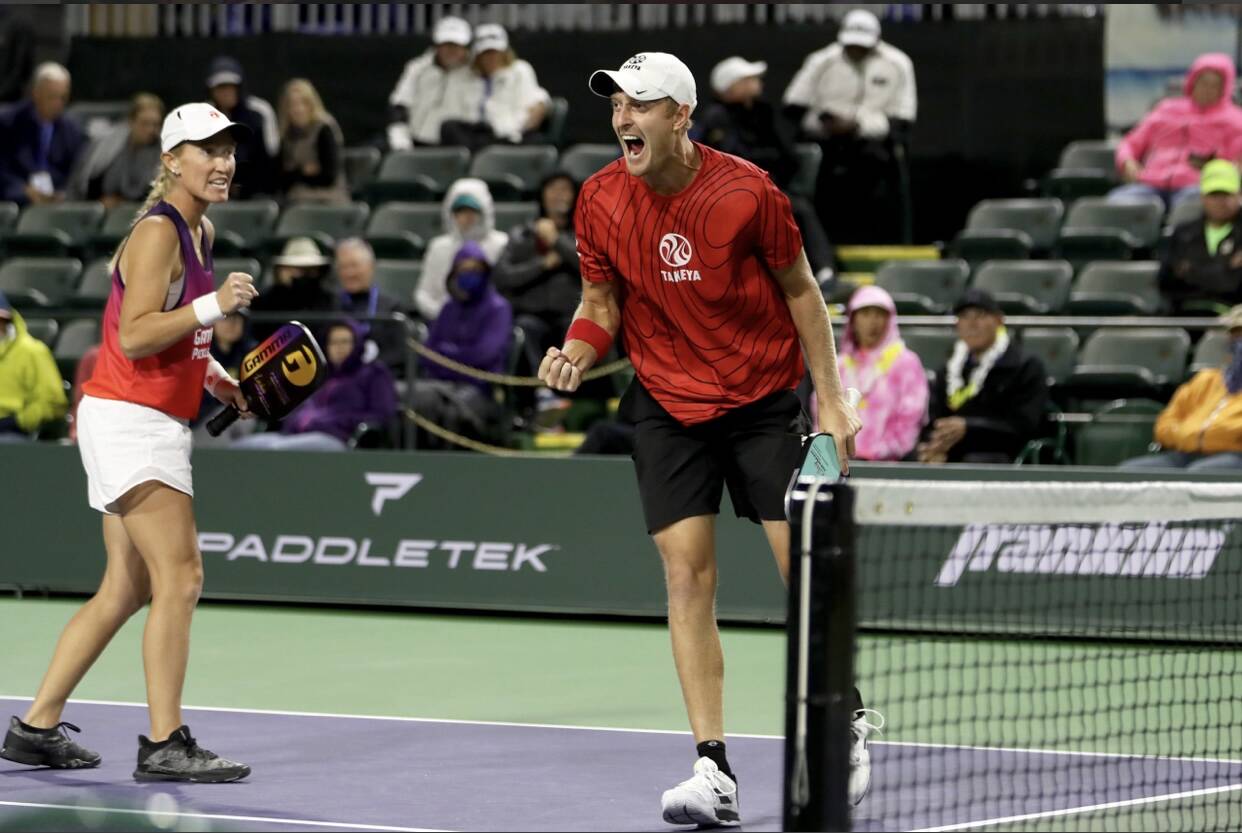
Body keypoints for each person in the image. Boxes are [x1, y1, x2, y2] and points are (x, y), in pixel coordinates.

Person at [538, 52, 874, 827]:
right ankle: (712, 768)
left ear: (680, 116)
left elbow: (804, 294)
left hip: (761, 400)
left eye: (642, 104)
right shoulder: (599, 200)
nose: (624, 117)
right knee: (686, 577)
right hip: (665, 400)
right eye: (618, 104)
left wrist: (828, 400)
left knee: (806, 571)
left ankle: (845, 719)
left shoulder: (747, 192)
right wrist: (577, 352)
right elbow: (598, 303)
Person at [0, 102, 256, 781]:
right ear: (172, 159)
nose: (223, 161)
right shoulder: (157, 232)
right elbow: (136, 333)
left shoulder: (199, 229)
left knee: (124, 587)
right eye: (208, 149)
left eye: (228, 148)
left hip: (140, 414)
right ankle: (166, 741)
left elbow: (178, 337)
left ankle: (36, 725)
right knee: (183, 575)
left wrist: (217, 376)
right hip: (132, 419)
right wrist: (215, 305)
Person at [783, 9, 917, 244]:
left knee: (877, 166)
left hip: (873, 143)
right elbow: (793, 107)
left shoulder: (898, 63)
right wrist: (825, 122)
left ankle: (876, 241)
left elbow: (904, 118)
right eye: (850, 44)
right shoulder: (821, 60)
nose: (855, 50)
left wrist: (859, 126)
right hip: (826, 141)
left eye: (862, 45)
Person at [693, 56, 836, 276]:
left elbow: (788, 157)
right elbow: (730, 161)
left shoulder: (764, 113)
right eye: (748, 78)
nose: (757, 82)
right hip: (729, 194)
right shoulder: (716, 117)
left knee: (799, 208)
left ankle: (824, 272)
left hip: (772, 188)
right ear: (730, 86)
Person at [916, 288, 1048, 465]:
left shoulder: (1026, 367)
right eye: (964, 316)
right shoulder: (948, 371)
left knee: (977, 462)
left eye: (981, 315)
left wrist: (969, 428)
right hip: (956, 454)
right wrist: (934, 446)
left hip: (1006, 455)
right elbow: (934, 419)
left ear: (999, 320)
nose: (972, 324)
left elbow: (1025, 426)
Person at [232, 319, 397, 452]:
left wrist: (335, 422)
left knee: (277, 450)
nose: (339, 348)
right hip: (294, 434)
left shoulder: (373, 373)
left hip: (338, 437)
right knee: (240, 448)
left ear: (357, 344)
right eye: (333, 342)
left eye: (345, 341)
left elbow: (381, 414)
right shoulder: (318, 374)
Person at [413, 240, 513, 450]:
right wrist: (452, 358)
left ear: (485, 271)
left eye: (475, 270)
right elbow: (428, 353)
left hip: (480, 388)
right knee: (413, 400)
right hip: (441, 385)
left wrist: (447, 354)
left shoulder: (498, 308)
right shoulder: (449, 308)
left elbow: (484, 355)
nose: (469, 275)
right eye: (463, 270)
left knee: (451, 412)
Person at [1112, 53, 1242, 211]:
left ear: (1224, 89)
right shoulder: (1166, 109)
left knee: (1192, 207)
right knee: (1117, 203)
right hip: (1150, 183)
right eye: (1203, 83)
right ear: (1192, 82)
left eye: (1215, 85)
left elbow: (1235, 164)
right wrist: (1127, 162)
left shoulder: (1235, 120)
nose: (1207, 90)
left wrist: (1211, 165)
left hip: (1197, 187)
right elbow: (1130, 143)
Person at [1121, 305, 1242, 471]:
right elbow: (1165, 423)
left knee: (1200, 473)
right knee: (1130, 471)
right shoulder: (1205, 379)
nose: (1237, 342)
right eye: (1235, 334)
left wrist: (1219, 435)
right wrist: (1188, 436)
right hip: (1185, 453)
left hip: (1234, 455)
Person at [492, 171, 580, 381]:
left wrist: (557, 240)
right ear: (542, 195)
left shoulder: (585, 233)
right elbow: (503, 276)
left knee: (577, 331)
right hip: (531, 313)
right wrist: (542, 264)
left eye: (565, 190)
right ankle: (541, 392)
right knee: (524, 328)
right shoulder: (521, 235)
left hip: (572, 314)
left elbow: (591, 267)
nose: (559, 195)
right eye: (553, 189)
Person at [832, 285, 927, 461]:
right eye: (865, 313)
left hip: (889, 465)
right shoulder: (839, 365)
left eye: (879, 314)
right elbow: (821, 411)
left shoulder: (906, 363)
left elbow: (910, 419)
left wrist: (876, 453)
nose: (872, 322)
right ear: (853, 320)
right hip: (839, 462)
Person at [440, 23, 550, 151]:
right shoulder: (464, 76)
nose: (491, 58)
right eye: (486, 53)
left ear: (505, 52)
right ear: (477, 55)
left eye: (495, 52)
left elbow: (537, 106)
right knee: (449, 127)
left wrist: (516, 131)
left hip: (509, 137)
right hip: (475, 135)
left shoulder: (520, 71)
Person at [415, 178, 509, 322]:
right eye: (460, 211)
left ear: (484, 211)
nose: (466, 217)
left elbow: (504, 293)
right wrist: (445, 315)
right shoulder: (438, 246)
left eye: (472, 211)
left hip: (485, 321)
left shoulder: (500, 244)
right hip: (441, 320)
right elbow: (423, 292)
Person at [1160, 159, 1242, 314]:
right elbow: (1167, 283)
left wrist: (1192, 271)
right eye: (1214, 194)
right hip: (1185, 316)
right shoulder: (1182, 233)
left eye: (1226, 194)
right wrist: (1227, 269)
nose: (1220, 201)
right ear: (1203, 196)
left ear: (1239, 195)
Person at [0, 62, 87, 206]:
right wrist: (23, 190)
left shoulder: (71, 131)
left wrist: (62, 193)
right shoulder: (8, 123)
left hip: (56, 202)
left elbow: (75, 174)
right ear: (36, 94)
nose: (58, 103)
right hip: (15, 200)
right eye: (52, 97)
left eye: (63, 97)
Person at [386, 16, 477, 149]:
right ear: (436, 45)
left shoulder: (477, 70)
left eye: (456, 45)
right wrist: (399, 137)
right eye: (446, 45)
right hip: (416, 142)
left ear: (466, 47)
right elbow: (400, 104)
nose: (451, 50)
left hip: (459, 144)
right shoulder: (417, 68)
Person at [66, 92, 164, 206]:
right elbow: (84, 183)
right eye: (145, 123)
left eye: (155, 124)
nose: (151, 130)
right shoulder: (106, 145)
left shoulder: (163, 153)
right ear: (131, 122)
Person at [334, 237, 408, 377]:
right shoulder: (330, 305)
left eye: (354, 265)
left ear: (371, 267)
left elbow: (399, 353)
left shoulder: (392, 307)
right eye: (343, 267)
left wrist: (365, 370)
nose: (349, 273)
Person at [205, 56, 278, 198]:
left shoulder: (260, 111)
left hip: (257, 191)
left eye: (230, 86)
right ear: (211, 90)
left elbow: (271, 154)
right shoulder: (203, 114)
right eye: (220, 87)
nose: (226, 92)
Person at [0, 290, 68, 442]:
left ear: (6, 320)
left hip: (13, 432)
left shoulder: (32, 352)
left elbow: (52, 402)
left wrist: (17, 421)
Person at [248, 236, 336, 343]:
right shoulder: (263, 303)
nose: (305, 275)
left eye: (310, 270)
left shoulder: (329, 300)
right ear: (283, 270)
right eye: (299, 269)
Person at [276, 78, 348, 206]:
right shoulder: (287, 135)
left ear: (312, 104)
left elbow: (328, 176)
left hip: (328, 198)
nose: (298, 109)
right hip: (295, 198)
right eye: (292, 104)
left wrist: (295, 173)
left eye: (303, 103)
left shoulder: (324, 129)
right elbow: (281, 177)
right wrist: (303, 171)